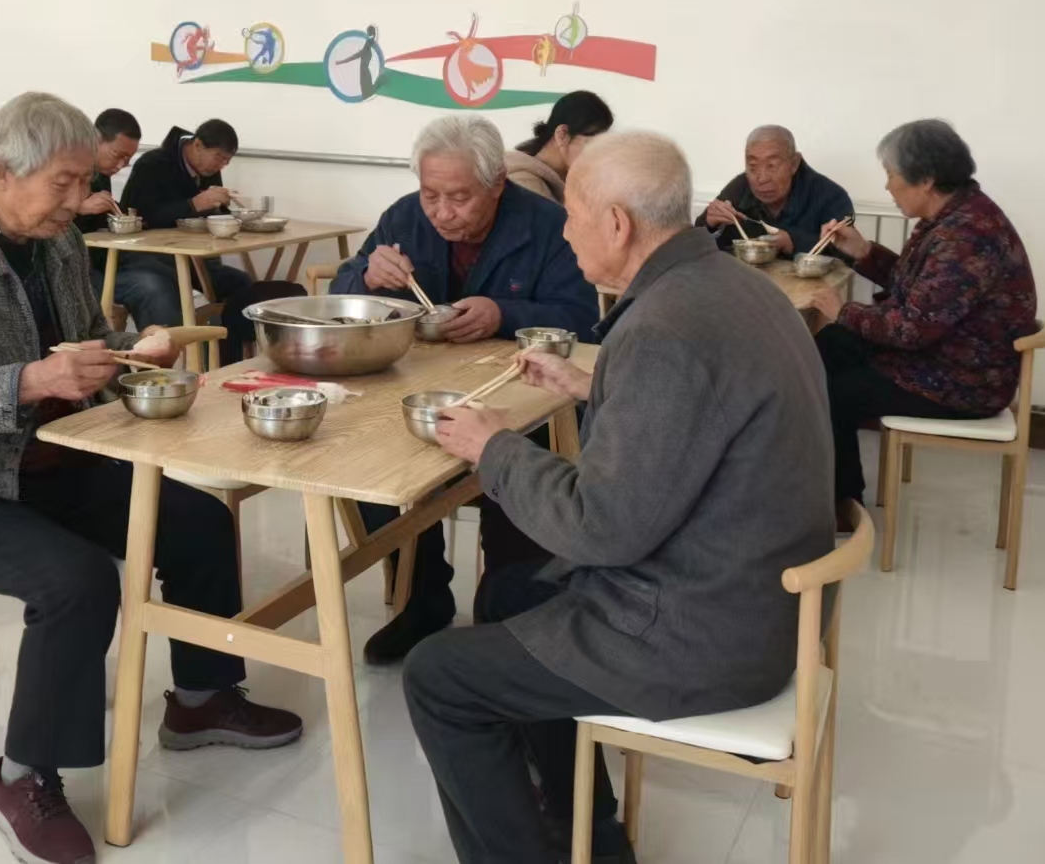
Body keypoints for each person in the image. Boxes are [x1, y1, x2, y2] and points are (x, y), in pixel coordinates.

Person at [0, 93, 302, 864]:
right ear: (2, 171)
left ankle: (201, 698)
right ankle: (22, 775)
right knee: (78, 580)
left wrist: (133, 347)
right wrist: (31, 380)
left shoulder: (56, 239)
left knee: (198, 520)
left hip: (50, 456)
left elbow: (84, 339)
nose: (79, 200)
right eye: (63, 183)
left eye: (84, 181)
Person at [404, 131, 835, 864]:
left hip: (705, 631)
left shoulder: (665, 327)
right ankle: (591, 834)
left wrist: (493, 447)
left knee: (438, 676)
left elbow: (600, 529)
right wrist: (594, 384)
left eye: (572, 216)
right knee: (509, 594)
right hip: (763, 594)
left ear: (616, 224)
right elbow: (701, 410)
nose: (565, 232)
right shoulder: (734, 285)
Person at [332, 114, 598, 663]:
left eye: (459, 198)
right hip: (420, 393)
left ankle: (508, 620)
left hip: (519, 395)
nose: (442, 212)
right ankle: (422, 599)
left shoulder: (549, 225)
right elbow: (344, 295)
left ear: (496, 183)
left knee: (517, 466)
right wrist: (366, 277)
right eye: (431, 195)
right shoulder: (403, 217)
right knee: (372, 464)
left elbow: (580, 321)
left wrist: (504, 313)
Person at [810, 119, 1036, 523]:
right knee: (827, 347)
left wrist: (843, 310)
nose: (887, 186)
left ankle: (842, 508)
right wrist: (863, 252)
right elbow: (920, 291)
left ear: (926, 180)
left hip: (963, 381)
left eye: (891, 175)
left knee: (833, 390)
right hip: (943, 355)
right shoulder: (954, 214)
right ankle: (821, 485)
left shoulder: (967, 236)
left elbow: (912, 328)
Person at [116, 118, 251, 329]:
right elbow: (140, 217)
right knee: (161, 294)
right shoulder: (153, 164)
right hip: (151, 260)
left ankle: (225, 349)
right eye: (219, 157)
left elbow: (213, 214)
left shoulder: (209, 170)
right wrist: (193, 204)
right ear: (197, 145)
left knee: (243, 286)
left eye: (226, 161)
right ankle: (173, 347)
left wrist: (225, 210)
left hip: (196, 261)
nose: (221, 165)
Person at [699, 124, 852, 258]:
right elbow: (696, 239)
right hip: (744, 281)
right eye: (752, 166)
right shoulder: (739, 188)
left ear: (794, 163)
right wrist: (709, 223)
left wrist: (794, 242)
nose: (761, 178)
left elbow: (847, 255)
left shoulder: (830, 196)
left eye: (771, 166)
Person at [73, 107, 142, 303]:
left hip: (96, 259)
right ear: (95, 140)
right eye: (117, 155)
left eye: (127, 160)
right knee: (148, 286)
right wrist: (80, 208)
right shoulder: (67, 167)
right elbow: (36, 216)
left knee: (157, 269)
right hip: (69, 266)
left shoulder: (101, 173)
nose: (120, 165)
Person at [505, 90, 613, 202]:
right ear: (562, 135)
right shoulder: (526, 186)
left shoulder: (568, 182)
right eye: (592, 144)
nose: (598, 155)